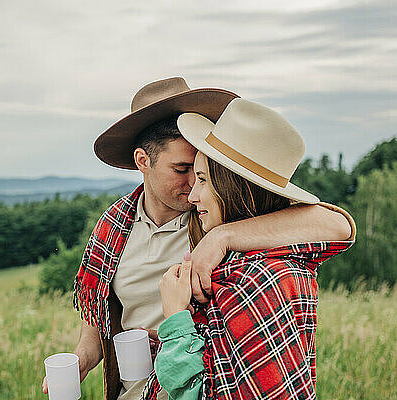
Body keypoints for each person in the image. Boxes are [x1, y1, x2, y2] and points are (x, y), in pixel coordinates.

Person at [42, 77, 354, 400]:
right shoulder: (112, 228)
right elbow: (97, 322)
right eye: (181, 169)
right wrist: (82, 358)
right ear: (142, 162)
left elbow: (338, 227)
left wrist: (222, 236)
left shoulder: (217, 217)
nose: (193, 187)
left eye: (201, 171)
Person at [147, 99, 355, 399]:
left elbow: (202, 393)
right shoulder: (273, 259)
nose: (192, 195)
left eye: (203, 180)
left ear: (234, 187)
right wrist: (183, 338)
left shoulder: (252, 280)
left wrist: (176, 319)